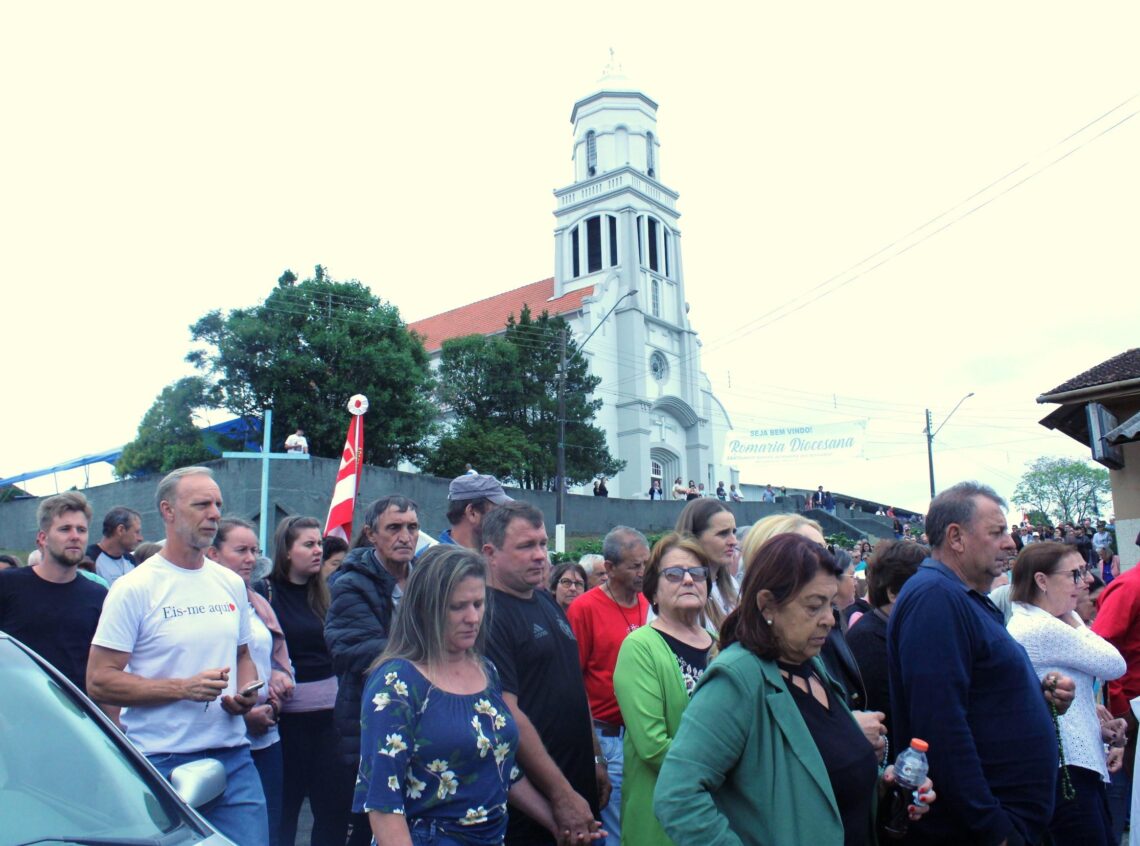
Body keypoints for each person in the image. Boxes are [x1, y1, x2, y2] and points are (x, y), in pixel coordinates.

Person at [654, 533, 933, 845]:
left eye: (830, 604)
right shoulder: (737, 679)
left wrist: (885, 787)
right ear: (767, 605)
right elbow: (676, 796)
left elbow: (819, 784)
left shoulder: (813, 668)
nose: (829, 619)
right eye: (814, 606)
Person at [87, 467, 267, 845]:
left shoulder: (230, 582)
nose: (214, 514)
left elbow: (242, 655)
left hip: (234, 757)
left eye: (218, 504)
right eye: (201, 504)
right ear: (168, 511)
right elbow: (99, 680)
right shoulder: (133, 588)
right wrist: (181, 688)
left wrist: (246, 692)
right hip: (161, 760)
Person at [888, 481, 1075, 845]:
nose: (1010, 542)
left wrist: (1037, 696)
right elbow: (941, 726)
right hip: (980, 830)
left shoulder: (961, 596)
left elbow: (978, 695)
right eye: (997, 532)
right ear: (956, 537)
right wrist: (992, 827)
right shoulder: (935, 599)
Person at [354, 545, 561, 846]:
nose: (472, 617)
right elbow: (384, 803)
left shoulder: (485, 669)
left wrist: (558, 821)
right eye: (458, 606)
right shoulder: (395, 682)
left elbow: (499, 764)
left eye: (478, 604)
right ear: (426, 608)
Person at [482, 501, 606, 845]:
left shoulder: (546, 602)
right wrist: (560, 793)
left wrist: (595, 755)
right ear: (491, 553)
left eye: (542, 543)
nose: (540, 555)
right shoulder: (488, 616)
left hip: (577, 785)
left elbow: (572, 683)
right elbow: (507, 713)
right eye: (526, 546)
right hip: (537, 805)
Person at [1006, 542, 1125, 845]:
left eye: (1084, 571)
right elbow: (1115, 664)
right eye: (1075, 573)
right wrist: (1075, 620)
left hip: (1071, 764)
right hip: (1067, 772)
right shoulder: (1042, 627)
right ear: (1041, 581)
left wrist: (1099, 728)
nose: (1085, 581)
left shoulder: (1034, 620)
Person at [612, 533, 714, 846]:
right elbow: (653, 747)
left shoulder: (721, 644)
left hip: (720, 813)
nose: (688, 580)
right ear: (653, 591)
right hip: (665, 818)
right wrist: (728, 769)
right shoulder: (640, 647)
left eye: (697, 573)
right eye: (673, 574)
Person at [325, 495, 420, 818]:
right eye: (394, 527)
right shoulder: (350, 583)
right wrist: (429, 653)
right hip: (371, 715)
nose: (405, 536)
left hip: (425, 713)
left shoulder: (426, 576)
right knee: (376, 817)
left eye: (412, 527)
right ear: (371, 534)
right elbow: (352, 649)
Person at [261, 515, 353, 846]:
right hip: (287, 726)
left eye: (319, 544)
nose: (318, 550)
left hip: (331, 724)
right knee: (284, 815)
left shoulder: (328, 595)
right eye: (309, 544)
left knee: (333, 813)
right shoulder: (264, 594)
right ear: (287, 550)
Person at [208, 518, 296, 846]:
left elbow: (275, 657)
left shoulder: (257, 601)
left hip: (267, 736)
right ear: (214, 554)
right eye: (241, 550)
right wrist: (245, 717)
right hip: (221, 739)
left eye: (255, 551)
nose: (251, 559)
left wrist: (278, 685)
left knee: (268, 831)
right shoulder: (206, 606)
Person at [567, 527, 650, 845]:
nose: (643, 572)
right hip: (609, 737)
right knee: (615, 832)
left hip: (645, 736)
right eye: (634, 566)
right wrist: (596, 754)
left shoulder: (649, 602)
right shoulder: (584, 609)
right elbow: (574, 683)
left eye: (645, 563)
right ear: (610, 568)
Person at [0, 492, 106, 693]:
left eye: (81, 530)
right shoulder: (7, 584)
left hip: (74, 712)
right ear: (42, 538)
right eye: (65, 529)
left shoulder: (98, 596)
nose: (75, 536)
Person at [846, 540, 927, 735]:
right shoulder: (868, 638)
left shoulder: (900, 631)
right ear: (893, 593)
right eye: (924, 588)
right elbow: (890, 714)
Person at [675, 498, 739, 631]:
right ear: (694, 538)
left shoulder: (732, 584)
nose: (734, 541)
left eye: (734, 532)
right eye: (723, 533)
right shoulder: (678, 589)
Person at [439, 474, 513, 549]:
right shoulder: (437, 560)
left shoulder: (493, 556)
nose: (506, 520)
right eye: (498, 512)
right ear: (472, 513)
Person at [86, 505, 144, 586]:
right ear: (120, 530)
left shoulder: (131, 560)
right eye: (137, 532)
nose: (140, 538)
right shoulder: (89, 558)